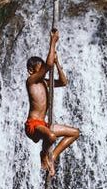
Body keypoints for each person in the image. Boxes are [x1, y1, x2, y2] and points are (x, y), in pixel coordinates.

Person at [25, 29, 80, 176]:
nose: (43, 71)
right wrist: (53, 42)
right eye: (40, 69)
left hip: (44, 125)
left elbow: (63, 82)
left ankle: (52, 156)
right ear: (31, 71)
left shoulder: (44, 82)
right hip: (33, 125)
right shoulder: (31, 81)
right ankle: (43, 154)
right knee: (51, 136)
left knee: (75, 133)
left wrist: (57, 63)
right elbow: (47, 65)